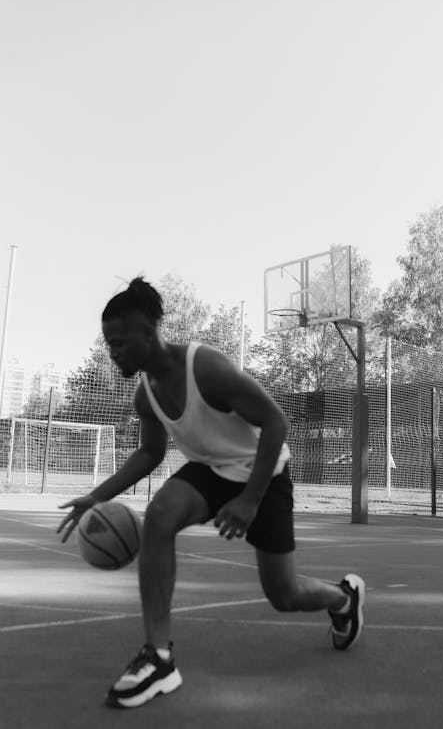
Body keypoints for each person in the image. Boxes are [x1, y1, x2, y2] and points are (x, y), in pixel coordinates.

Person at [57, 277, 365, 709]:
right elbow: (149, 452)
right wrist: (97, 495)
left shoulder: (206, 368)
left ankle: (342, 597)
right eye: (109, 344)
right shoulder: (145, 394)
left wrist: (250, 500)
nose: (113, 352)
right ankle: (159, 658)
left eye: (120, 342)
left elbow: (276, 423)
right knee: (160, 515)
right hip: (212, 471)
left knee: (285, 594)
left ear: (150, 334)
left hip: (264, 473)